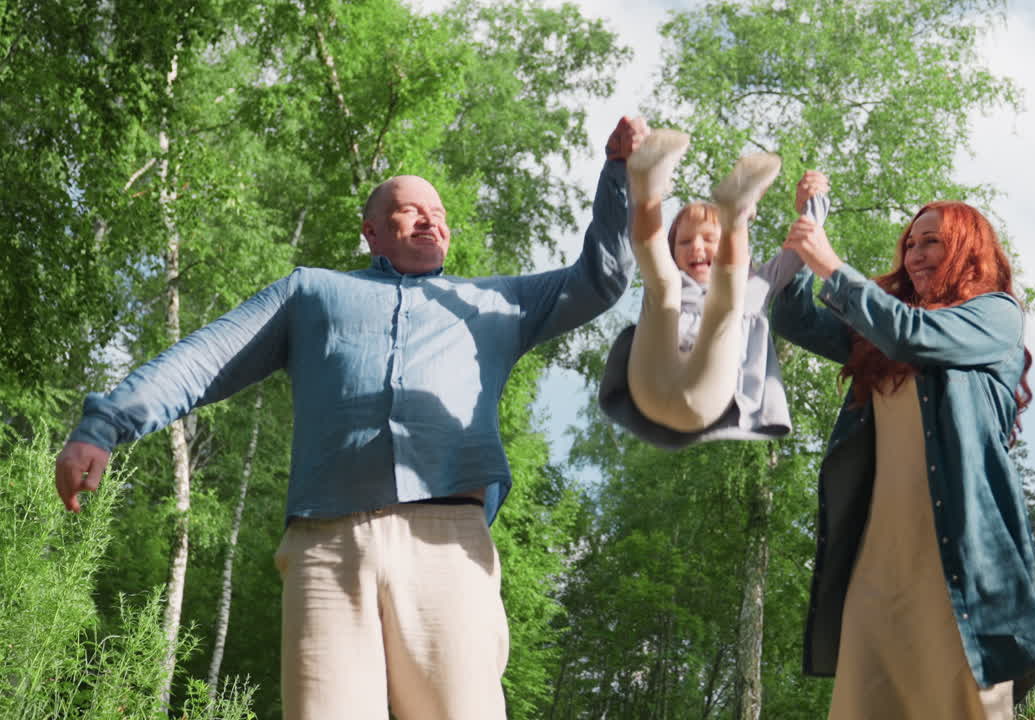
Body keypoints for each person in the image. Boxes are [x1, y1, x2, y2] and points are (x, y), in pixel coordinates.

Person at [53, 116, 649, 719]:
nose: (429, 219)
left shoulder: (499, 303)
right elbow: (205, 357)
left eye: (437, 212)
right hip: (326, 546)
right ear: (371, 231)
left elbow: (601, 279)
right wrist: (105, 426)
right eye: (410, 209)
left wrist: (618, 170)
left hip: (447, 543)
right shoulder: (310, 292)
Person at [773, 201, 1035, 719]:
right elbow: (794, 319)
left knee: (965, 706)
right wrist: (802, 241)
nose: (915, 254)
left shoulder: (995, 317)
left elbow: (912, 335)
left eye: (932, 242)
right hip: (877, 566)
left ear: (967, 251)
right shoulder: (881, 340)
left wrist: (830, 264)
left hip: (963, 564)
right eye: (910, 244)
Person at [599, 129, 829, 447]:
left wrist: (815, 202)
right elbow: (647, 246)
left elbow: (803, 246)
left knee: (727, 305)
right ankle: (647, 189)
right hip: (648, 386)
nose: (696, 248)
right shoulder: (672, 280)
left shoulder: (758, 285)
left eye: (709, 239)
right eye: (684, 241)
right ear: (674, 250)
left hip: (702, 398)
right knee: (661, 286)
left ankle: (735, 215)